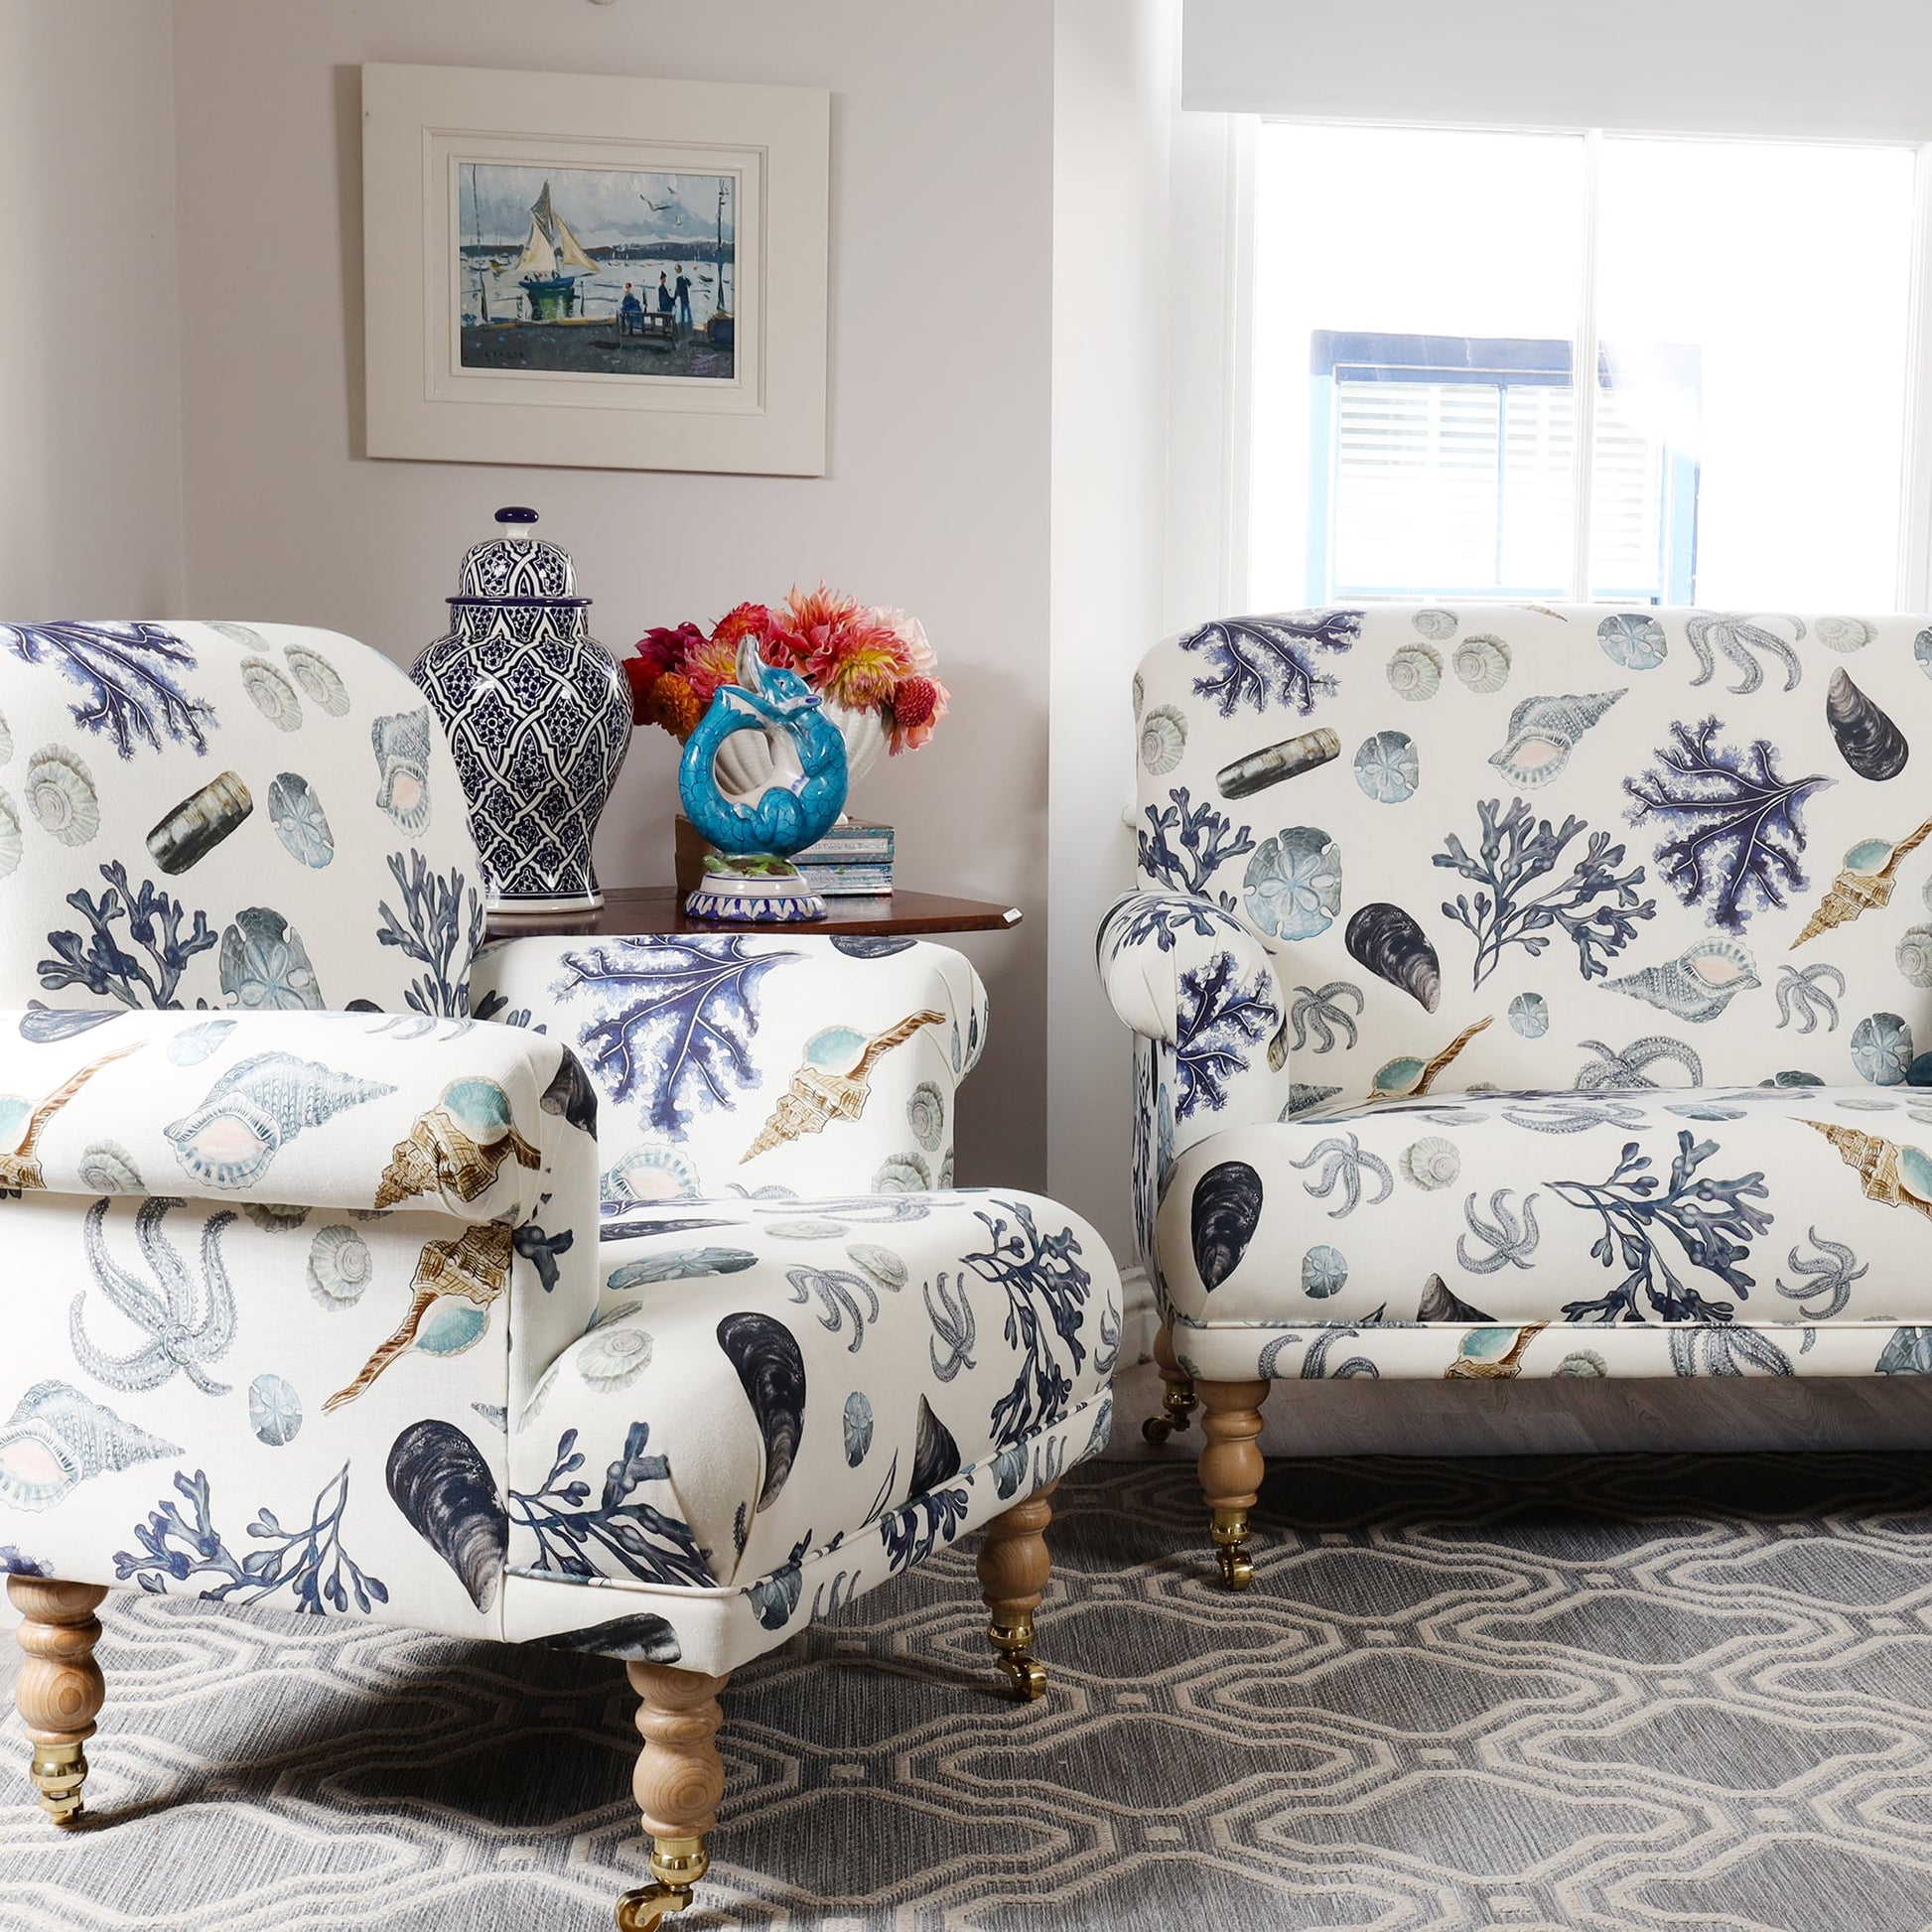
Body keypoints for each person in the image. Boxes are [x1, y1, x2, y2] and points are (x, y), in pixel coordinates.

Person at [673, 265, 693, 332]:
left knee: (683, 310)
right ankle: (688, 323)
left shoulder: (679, 278)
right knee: (687, 309)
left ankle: (683, 324)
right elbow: (689, 284)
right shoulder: (683, 277)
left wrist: (675, 296)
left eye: (676, 270)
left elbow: (677, 289)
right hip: (685, 297)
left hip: (682, 297)